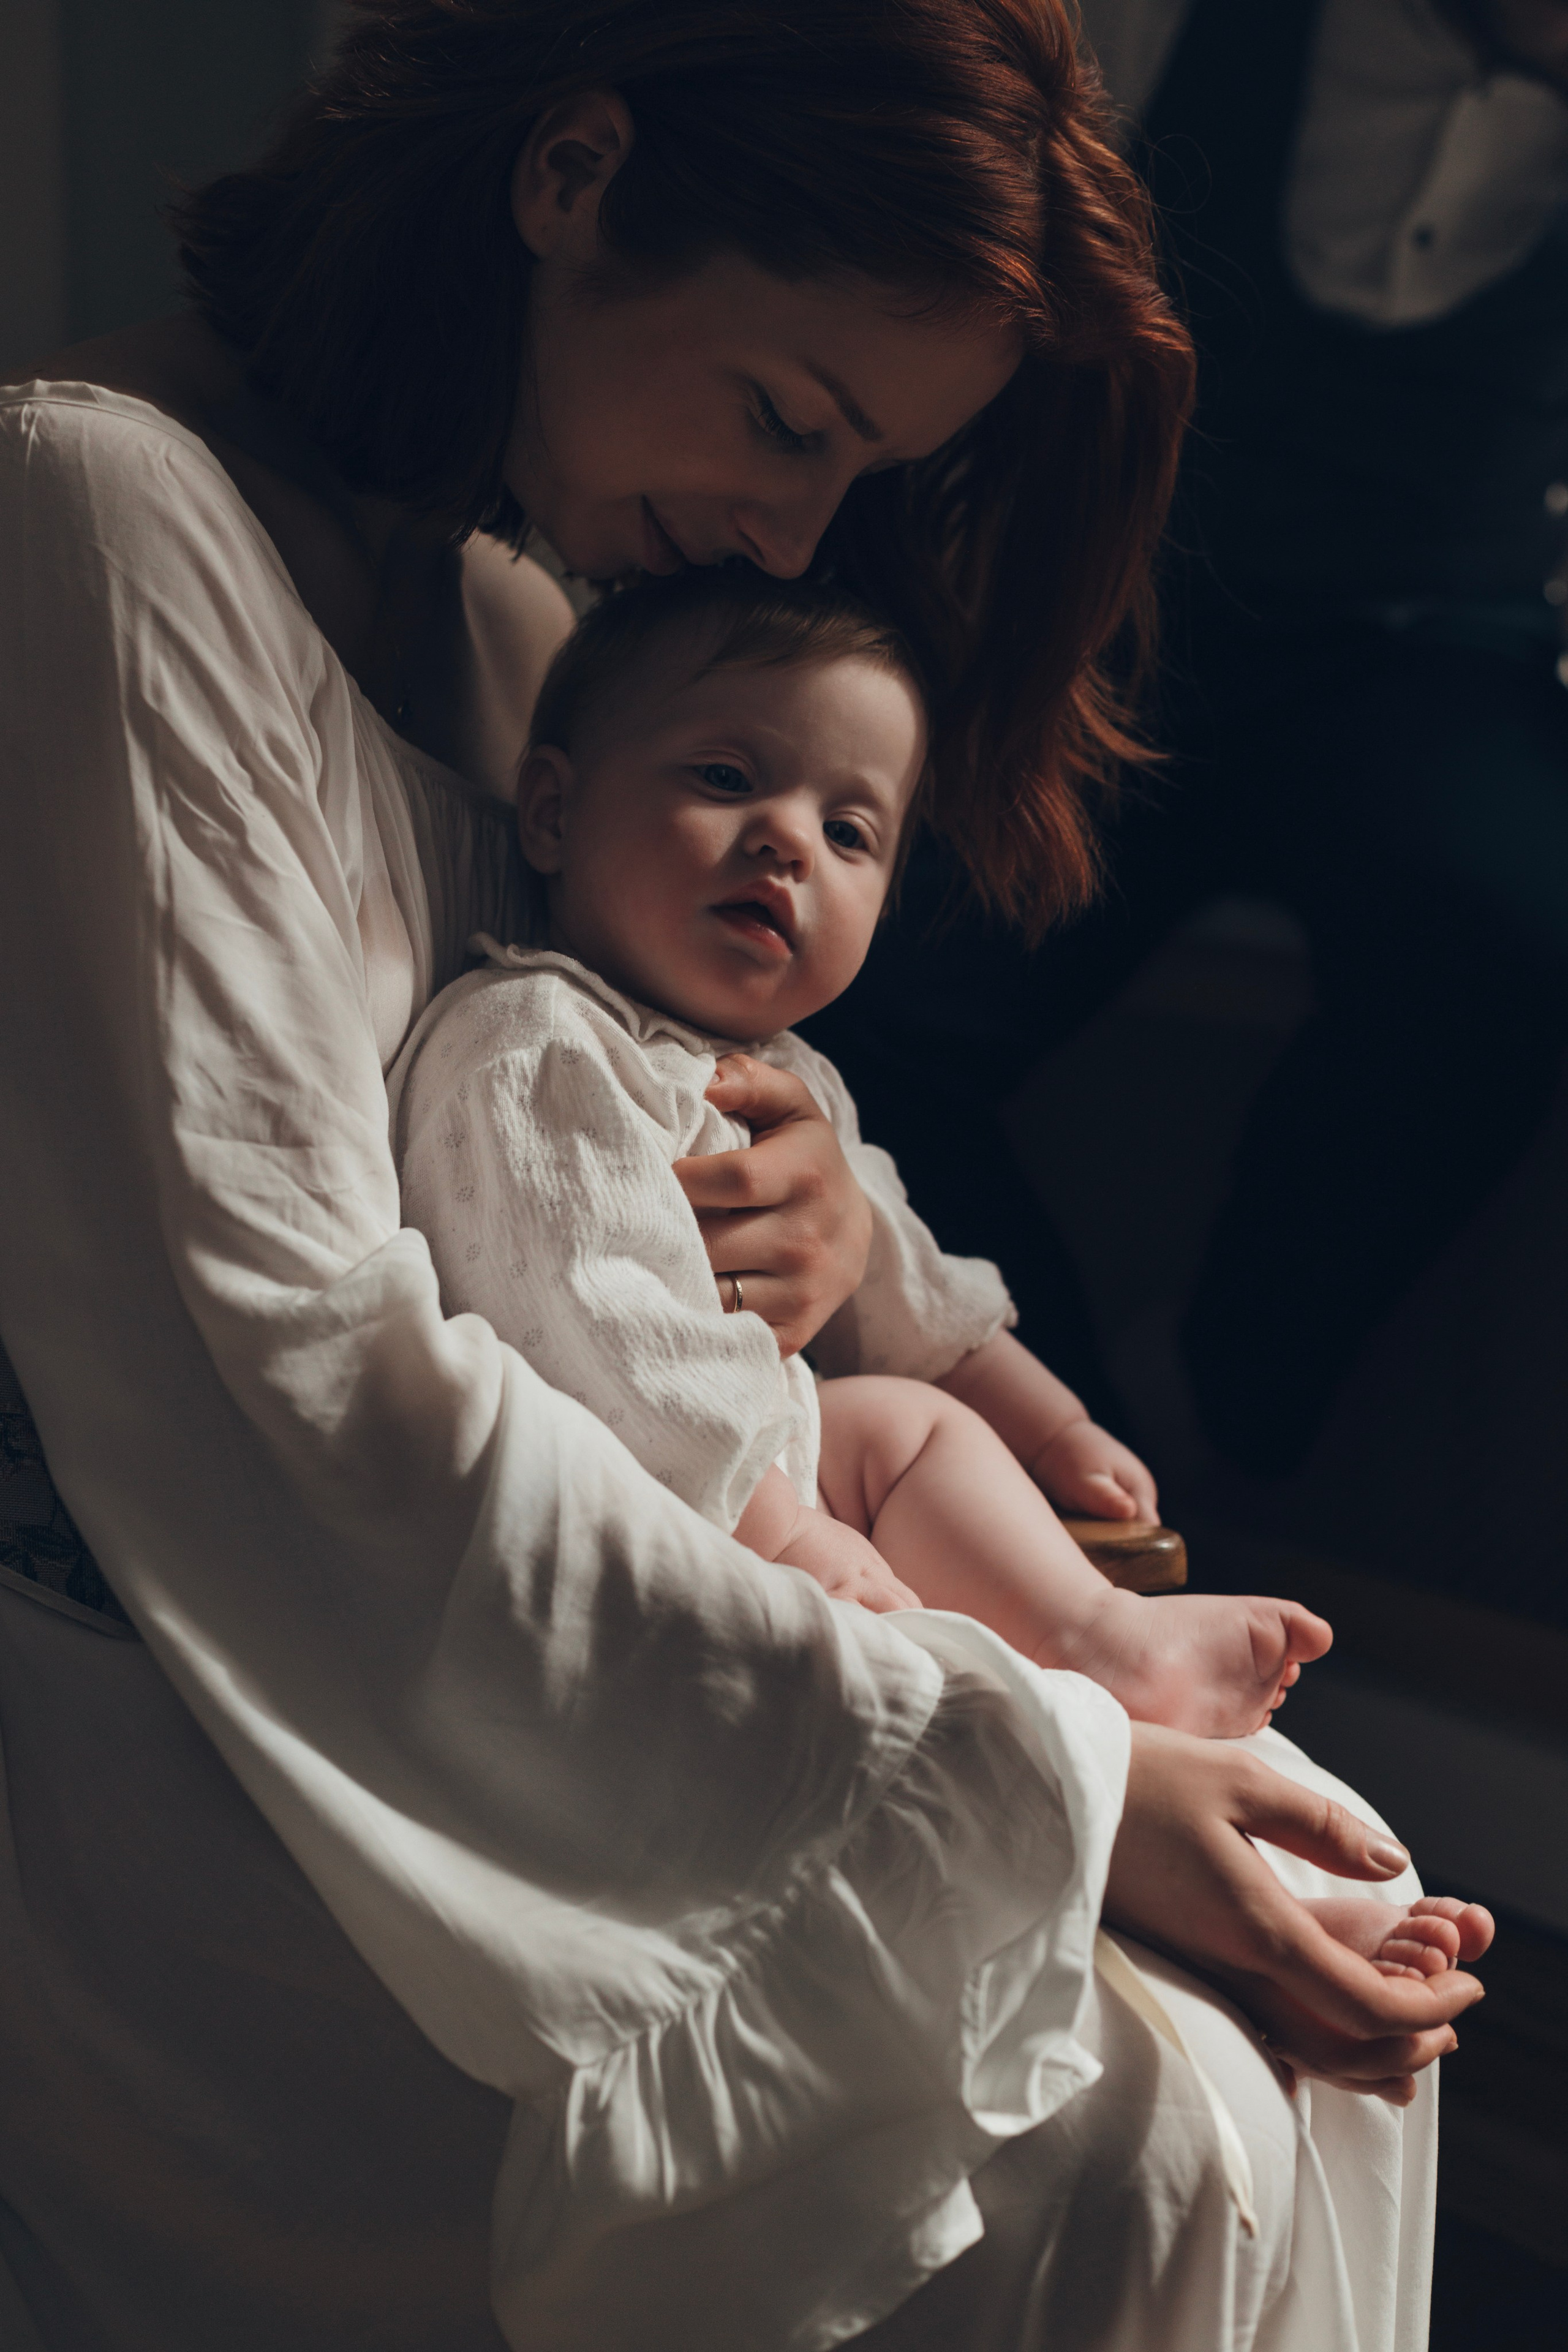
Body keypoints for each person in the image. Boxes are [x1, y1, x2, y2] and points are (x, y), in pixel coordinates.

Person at [0, 5, 1486, 2348]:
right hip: (222, 1715)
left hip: (553, 1609)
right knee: (1129, 2115)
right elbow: (292, 1384)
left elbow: (605, 1135)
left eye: (857, 473)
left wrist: (794, 1190)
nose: (798, 536)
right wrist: (1042, 1788)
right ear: (572, 173)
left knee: (1316, 1925)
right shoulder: (94, 519)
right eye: (793, 418)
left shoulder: (518, 624)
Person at [392, 565, 1357, 1740]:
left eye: (849, 831)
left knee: (910, 1422)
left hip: (765, 1465)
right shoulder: (535, 1042)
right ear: (552, 811)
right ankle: (1001, 1656)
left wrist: (1058, 1434)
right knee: (843, 1443)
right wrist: (788, 1536)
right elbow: (600, 1336)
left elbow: (906, 1278)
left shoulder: (794, 1079)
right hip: (609, 1492)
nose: (787, 840)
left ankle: (1099, 1642)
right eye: (727, 777)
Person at [805, 0, 1568, 1484]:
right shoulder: (1164, 24)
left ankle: (1218, 1408)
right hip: (1121, 621)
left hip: (1430, 651)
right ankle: (1058, 1457)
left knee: (1514, 937)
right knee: (870, 984)